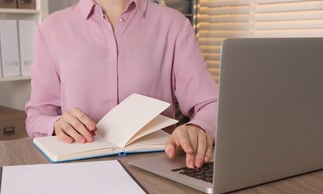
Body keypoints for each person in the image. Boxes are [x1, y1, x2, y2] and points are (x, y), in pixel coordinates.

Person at [25, 0, 218, 169]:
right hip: (78, 169)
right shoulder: (51, 29)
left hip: (157, 168)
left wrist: (198, 128)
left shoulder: (174, 25)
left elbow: (211, 104)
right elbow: (37, 116)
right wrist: (57, 124)